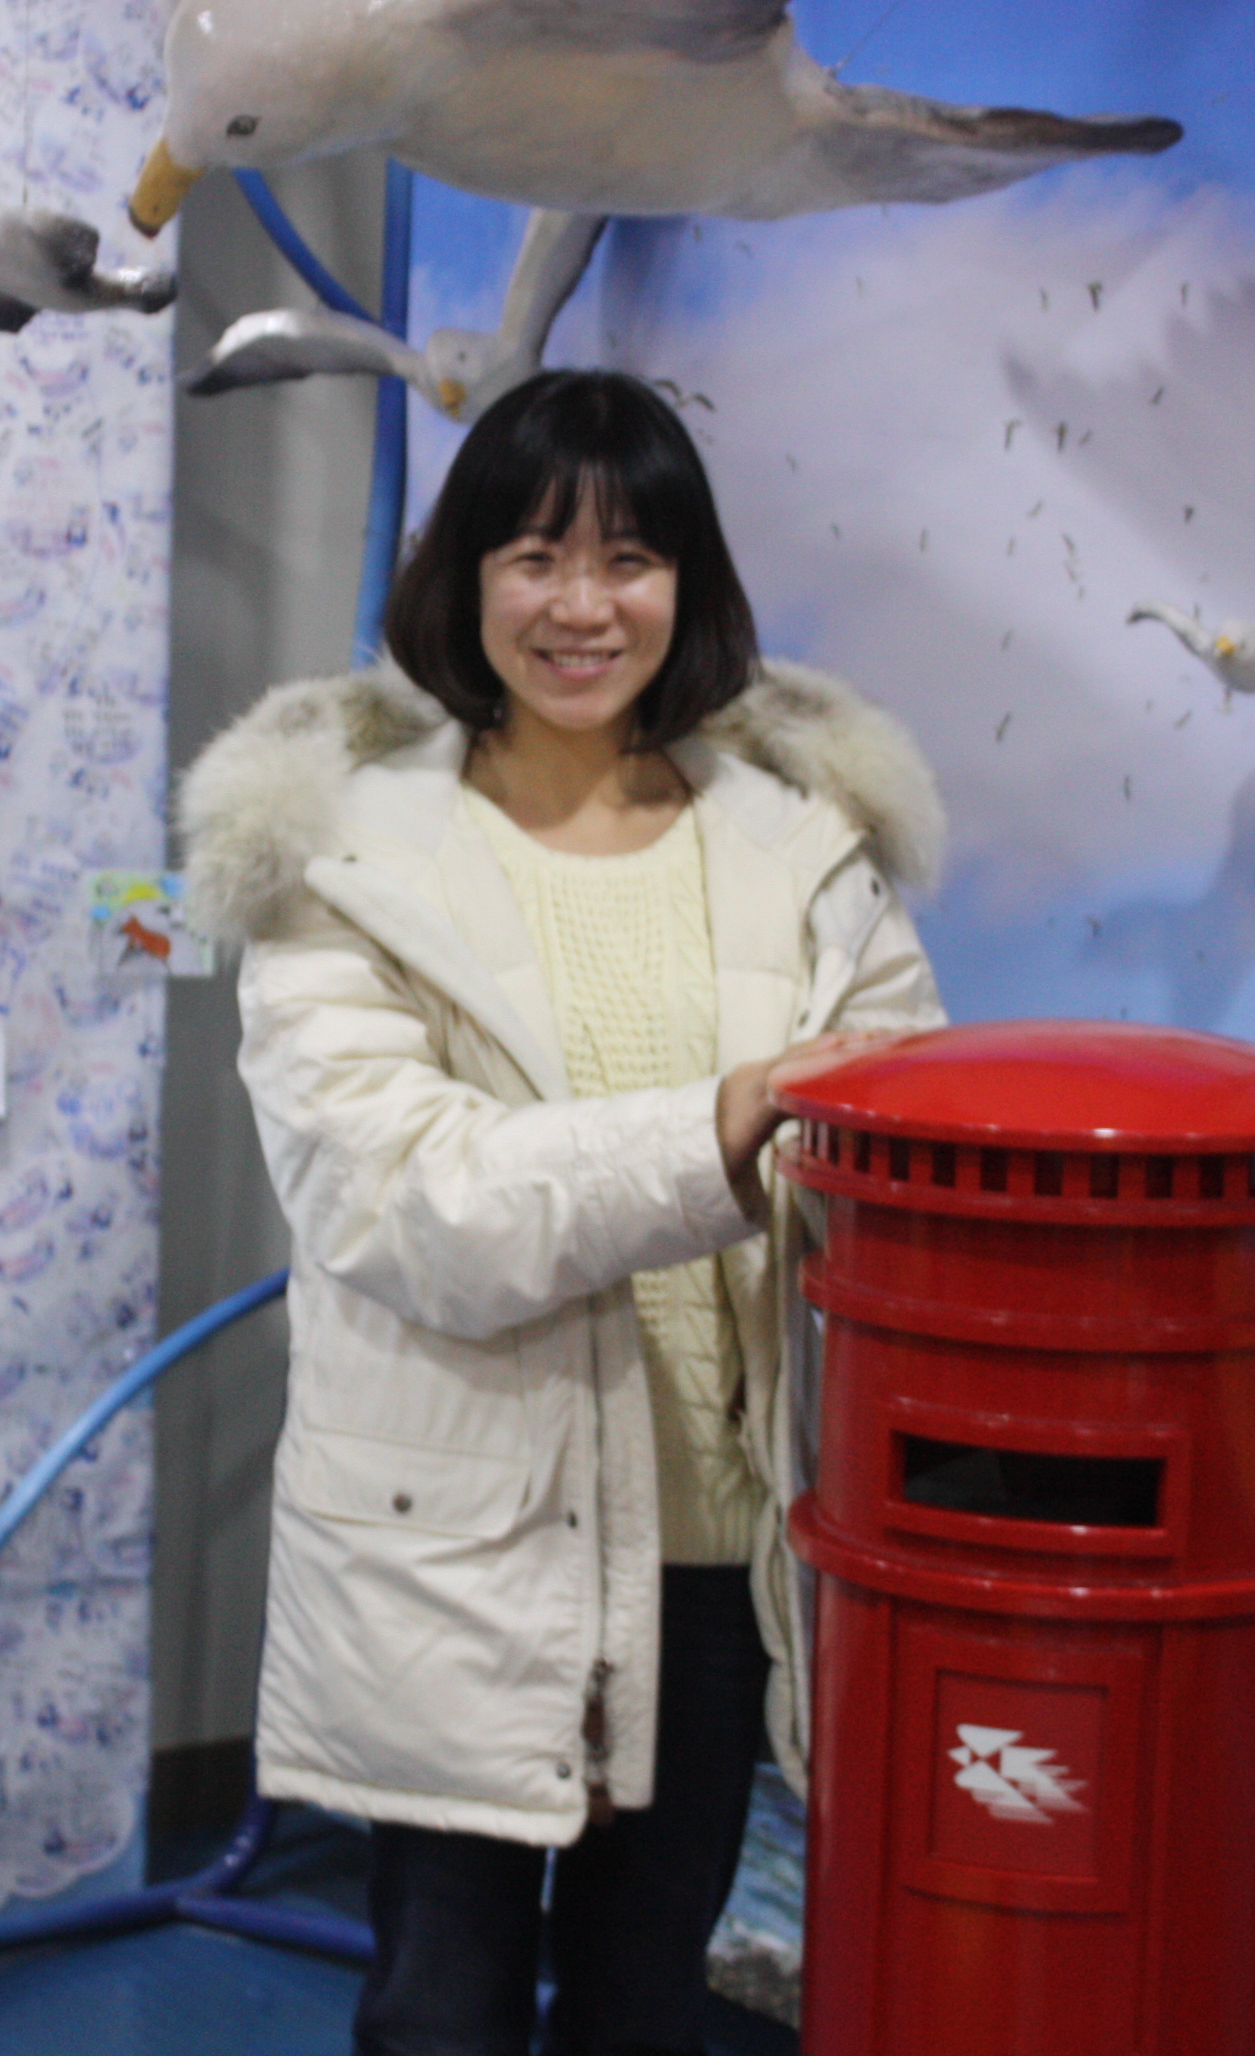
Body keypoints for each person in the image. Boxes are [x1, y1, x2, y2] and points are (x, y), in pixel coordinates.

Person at [178, 369, 948, 2056]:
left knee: (645, 2009)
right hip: (464, 1546)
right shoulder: (345, 855)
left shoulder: (805, 849)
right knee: (440, 2011)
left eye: (630, 560)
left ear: (689, 584)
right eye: (534, 556)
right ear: (464, 579)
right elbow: (404, 1199)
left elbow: (900, 1148)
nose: (582, 607)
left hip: (721, 1552)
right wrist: (721, 1125)